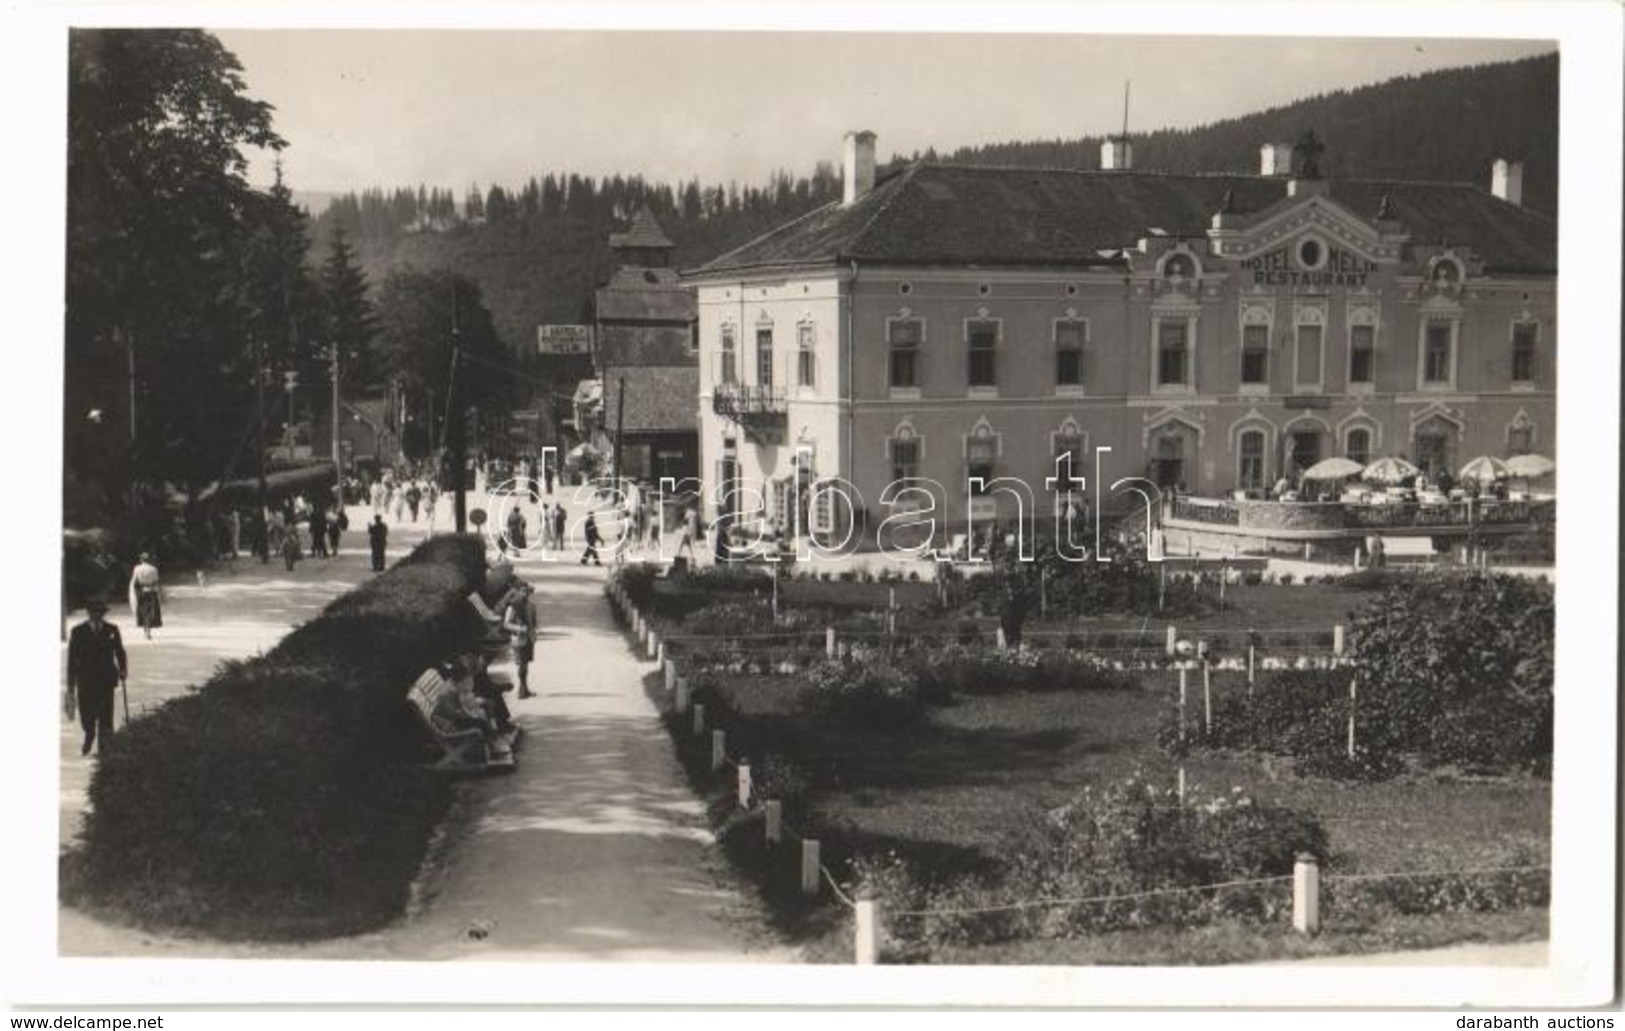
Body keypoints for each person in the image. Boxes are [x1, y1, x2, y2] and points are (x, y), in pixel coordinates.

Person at [67, 599, 127, 757]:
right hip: (85, 680)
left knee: (106, 717)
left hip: (106, 680)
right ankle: (89, 734)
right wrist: (70, 685)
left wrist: (123, 669)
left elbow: (120, 652)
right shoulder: (78, 631)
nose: (97, 615)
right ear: (88, 613)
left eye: (100, 612)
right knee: (87, 715)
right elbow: (72, 660)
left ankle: (105, 752)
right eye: (94, 612)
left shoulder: (112, 630)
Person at [502, 581, 541, 698]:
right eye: (522, 591)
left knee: (525, 664)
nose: (525, 594)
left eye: (527, 591)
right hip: (518, 638)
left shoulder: (531, 606)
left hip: (529, 638)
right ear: (518, 592)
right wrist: (519, 628)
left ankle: (525, 688)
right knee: (521, 664)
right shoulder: (513, 606)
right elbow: (506, 624)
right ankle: (521, 690)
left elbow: (533, 622)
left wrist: (534, 632)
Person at [128, 553, 163, 639]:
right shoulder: (154, 569)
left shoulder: (137, 568)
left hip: (141, 592)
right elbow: (156, 582)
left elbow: (134, 581)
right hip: (151, 592)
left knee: (143, 611)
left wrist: (134, 593)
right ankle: (148, 631)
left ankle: (145, 630)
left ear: (141, 560)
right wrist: (160, 594)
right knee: (150, 611)